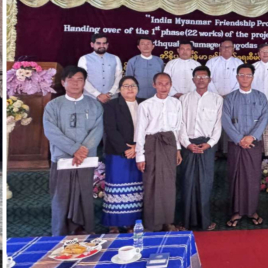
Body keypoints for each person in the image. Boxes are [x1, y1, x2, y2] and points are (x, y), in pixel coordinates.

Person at [42, 66, 104, 236]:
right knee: (61, 198)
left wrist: (83, 151)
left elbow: (98, 130)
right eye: (71, 79)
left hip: (85, 159)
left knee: (85, 196)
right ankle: (60, 232)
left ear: (84, 83)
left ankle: (85, 229)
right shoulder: (53, 106)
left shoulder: (94, 105)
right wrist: (75, 149)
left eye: (80, 80)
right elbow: (51, 131)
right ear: (63, 82)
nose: (76, 83)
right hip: (62, 159)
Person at [221, 64, 268, 227]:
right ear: (237, 77)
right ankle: (236, 211)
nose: (245, 78)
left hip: (254, 143)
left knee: (253, 177)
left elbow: (264, 119)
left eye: (248, 75)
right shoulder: (229, 98)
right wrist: (239, 138)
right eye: (242, 75)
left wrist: (251, 137)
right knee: (235, 176)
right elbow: (225, 120)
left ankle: (252, 210)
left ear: (253, 78)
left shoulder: (261, 97)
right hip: (235, 143)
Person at [135, 72, 184, 232]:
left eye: (167, 84)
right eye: (160, 84)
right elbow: (140, 131)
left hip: (169, 144)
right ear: (154, 85)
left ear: (171, 85)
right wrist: (140, 155)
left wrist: (177, 149)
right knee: (151, 183)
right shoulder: (145, 105)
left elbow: (177, 128)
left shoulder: (176, 103)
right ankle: (151, 224)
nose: (164, 87)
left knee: (169, 184)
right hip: (151, 144)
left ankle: (168, 221)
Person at [178, 66, 223, 231]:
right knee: (187, 182)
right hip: (188, 144)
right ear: (193, 80)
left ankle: (205, 221)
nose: (201, 79)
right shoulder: (184, 99)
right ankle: (186, 221)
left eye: (204, 77)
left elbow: (218, 125)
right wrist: (186, 143)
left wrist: (210, 143)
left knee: (205, 183)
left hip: (207, 145)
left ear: (210, 80)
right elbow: (180, 124)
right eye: (198, 76)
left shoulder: (217, 99)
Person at [101, 76, 144, 233]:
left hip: (139, 152)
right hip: (118, 153)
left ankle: (132, 223)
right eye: (126, 86)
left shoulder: (144, 103)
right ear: (120, 89)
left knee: (135, 190)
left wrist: (138, 147)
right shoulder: (111, 105)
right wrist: (125, 148)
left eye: (133, 85)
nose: (130, 88)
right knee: (117, 189)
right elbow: (110, 129)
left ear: (138, 88)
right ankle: (114, 224)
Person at [78, 33, 123, 103]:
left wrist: (110, 93)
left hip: (112, 98)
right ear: (92, 44)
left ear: (107, 45)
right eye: (98, 43)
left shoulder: (115, 58)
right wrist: (98, 94)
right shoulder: (84, 59)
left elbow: (119, 77)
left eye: (104, 43)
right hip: (91, 98)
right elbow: (82, 79)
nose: (102, 46)